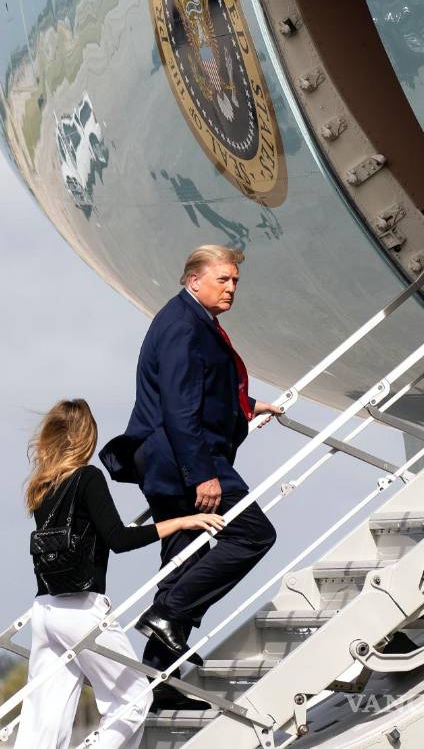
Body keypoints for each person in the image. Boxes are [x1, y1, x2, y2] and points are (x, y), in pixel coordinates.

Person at [101, 245, 281, 684]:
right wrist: (202, 473)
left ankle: (159, 677)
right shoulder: (183, 326)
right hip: (183, 457)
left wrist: (250, 406)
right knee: (253, 534)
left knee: (184, 557)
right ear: (193, 279)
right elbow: (180, 408)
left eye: (235, 280)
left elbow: (199, 389)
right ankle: (166, 614)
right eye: (223, 279)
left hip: (167, 457)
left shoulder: (189, 320)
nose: (232, 288)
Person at [15, 399, 225, 745]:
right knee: (133, 699)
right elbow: (119, 539)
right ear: (86, 437)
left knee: (42, 720)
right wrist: (182, 521)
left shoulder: (42, 487)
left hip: (45, 611)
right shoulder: (88, 478)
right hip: (82, 610)